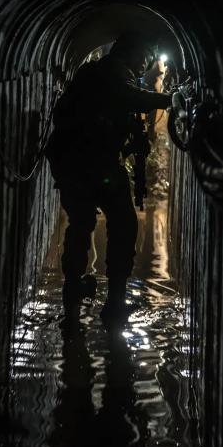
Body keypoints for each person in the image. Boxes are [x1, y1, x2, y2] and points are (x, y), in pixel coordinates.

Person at [45, 32, 171, 318]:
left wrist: (128, 146)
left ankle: (73, 290)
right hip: (92, 162)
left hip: (74, 162)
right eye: (145, 58)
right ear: (130, 52)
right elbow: (129, 98)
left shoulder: (96, 72)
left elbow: (102, 119)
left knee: (80, 223)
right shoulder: (112, 72)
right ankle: (114, 301)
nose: (146, 65)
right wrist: (170, 99)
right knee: (124, 224)